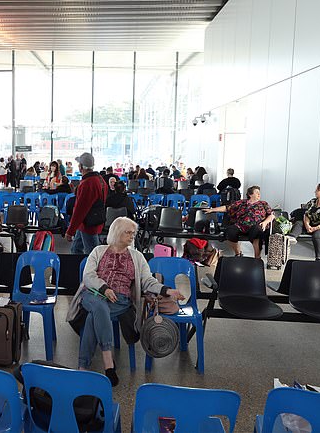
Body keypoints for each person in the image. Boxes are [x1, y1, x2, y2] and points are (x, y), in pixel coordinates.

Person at [71, 217, 184, 386]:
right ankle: (108, 362)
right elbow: (88, 277)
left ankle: (83, 366)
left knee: (93, 316)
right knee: (99, 304)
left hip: (120, 300)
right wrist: (104, 289)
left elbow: (147, 281)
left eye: (133, 233)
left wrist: (167, 290)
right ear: (116, 233)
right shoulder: (98, 251)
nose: (132, 236)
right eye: (128, 232)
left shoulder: (137, 256)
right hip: (93, 294)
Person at [205, 185, 273, 258]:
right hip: (241, 226)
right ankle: (238, 253)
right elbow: (227, 208)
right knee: (230, 231)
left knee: (257, 231)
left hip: (256, 226)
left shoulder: (263, 203)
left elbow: (271, 215)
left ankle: (257, 257)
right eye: (256, 192)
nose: (259, 194)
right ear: (250, 194)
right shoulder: (241, 202)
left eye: (259, 193)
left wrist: (265, 222)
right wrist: (212, 210)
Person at [66, 152, 108, 255]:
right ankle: (78, 269)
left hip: (88, 225)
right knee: (75, 250)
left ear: (81, 167)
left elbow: (79, 210)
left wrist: (70, 231)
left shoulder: (87, 184)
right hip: (94, 221)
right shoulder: (100, 180)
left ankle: (90, 271)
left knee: (93, 256)